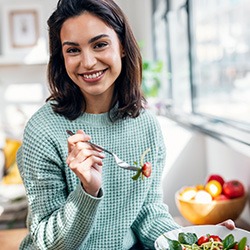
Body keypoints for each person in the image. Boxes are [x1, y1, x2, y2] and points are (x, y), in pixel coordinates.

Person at [17, 0, 235, 249]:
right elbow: (48, 242)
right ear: (61, 57)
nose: (87, 62)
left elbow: (148, 214)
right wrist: (87, 190)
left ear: (122, 46)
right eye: (73, 50)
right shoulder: (43, 129)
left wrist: (195, 243)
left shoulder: (146, 125)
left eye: (100, 45)